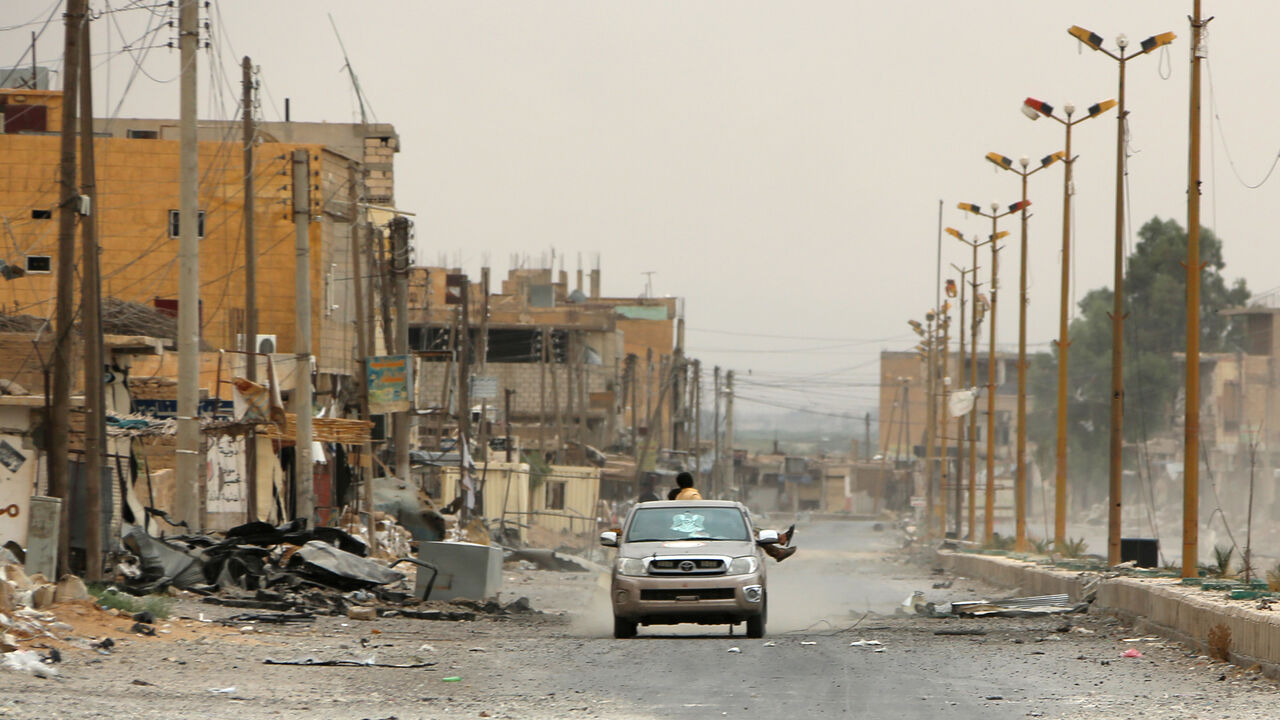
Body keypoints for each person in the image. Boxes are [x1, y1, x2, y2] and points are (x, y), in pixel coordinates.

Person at [667, 472, 796, 562]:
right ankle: (778, 543)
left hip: (698, 531)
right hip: (702, 531)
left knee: (748, 529)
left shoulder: (678, 498)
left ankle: (778, 543)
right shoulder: (693, 495)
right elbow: (699, 514)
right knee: (746, 529)